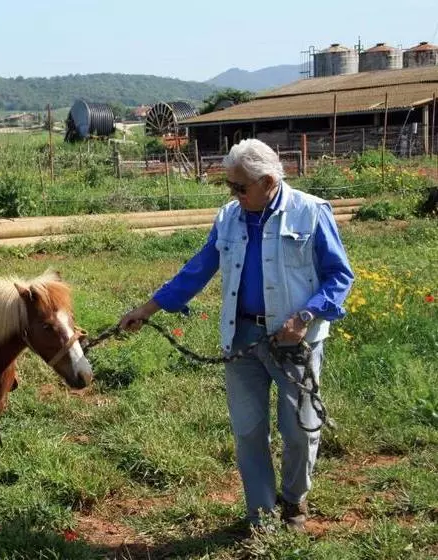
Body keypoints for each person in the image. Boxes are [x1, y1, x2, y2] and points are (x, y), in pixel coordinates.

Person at [119, 139, 354, 531]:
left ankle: (294, 500)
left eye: (240, 187)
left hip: (295, 340)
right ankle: (260, 516)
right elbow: (198, 268)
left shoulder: (311, 213)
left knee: (298, 430)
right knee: (248, 431)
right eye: (230, 186)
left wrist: (305, 317)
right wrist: (148, 308)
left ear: (267, 182)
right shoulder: (229, 217)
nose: (234, 193)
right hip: (242, 337)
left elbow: (339, 276)